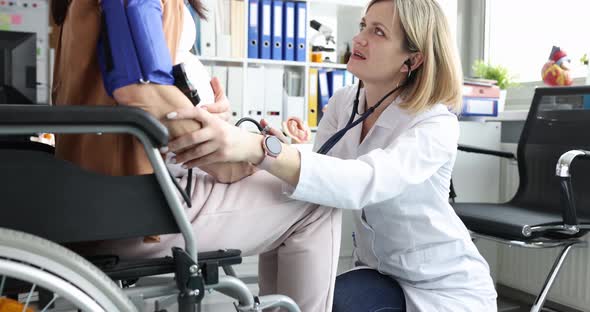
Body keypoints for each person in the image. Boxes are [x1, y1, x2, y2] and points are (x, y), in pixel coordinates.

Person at [163, 0, 498, 311]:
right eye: (364, 25)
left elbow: (364, 181)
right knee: (296, 300)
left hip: (442, 287)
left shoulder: (435, 122)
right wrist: (287, 149)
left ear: (413, 59)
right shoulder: (345, 101)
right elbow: (325, 169)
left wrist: (260, 149)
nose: (359, 38)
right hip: (379, 273)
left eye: (378, 32)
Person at [51, 1, 340, 311]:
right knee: (316, 200)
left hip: (99, 194)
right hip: (133, 207)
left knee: (287, 184)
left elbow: (144, 79)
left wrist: (205, 112)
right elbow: (141, 89)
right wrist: (232, 161)